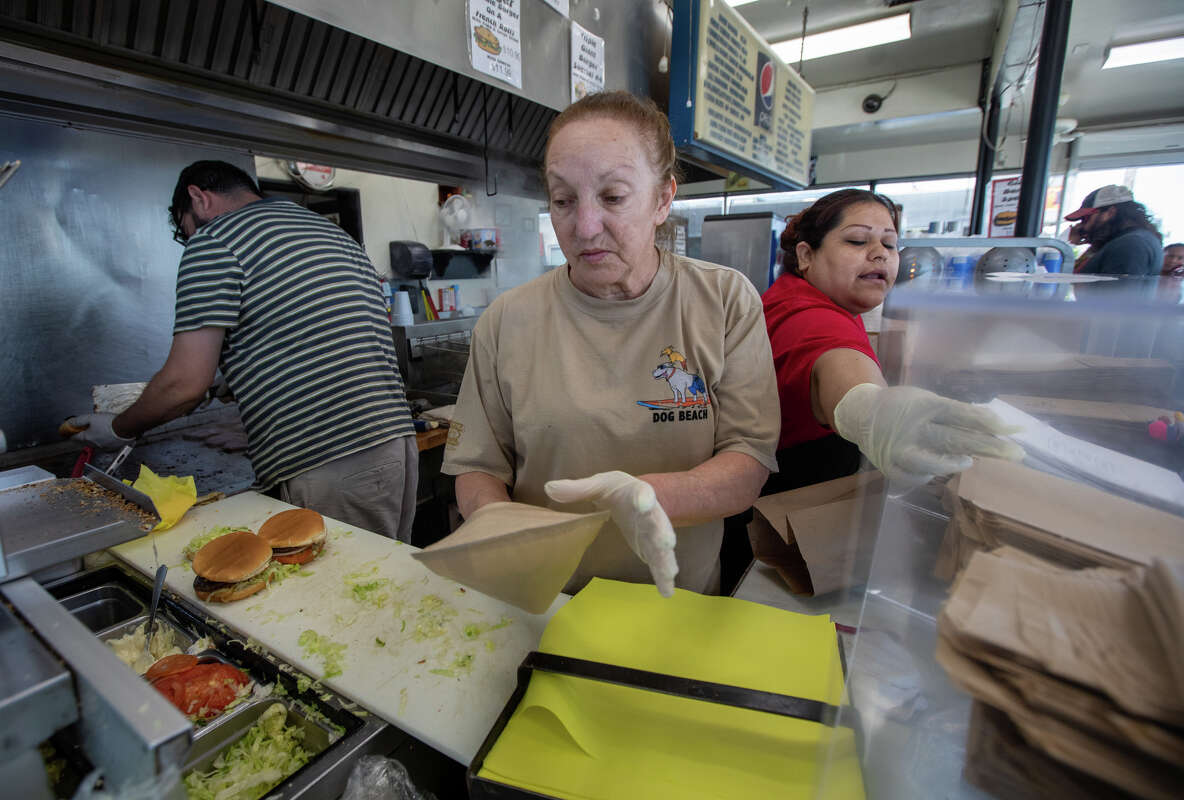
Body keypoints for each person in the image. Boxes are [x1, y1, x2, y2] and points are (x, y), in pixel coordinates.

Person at [441, 91, 780, 598]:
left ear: (663, 199)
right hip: (550, 600)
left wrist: (650, 497)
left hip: (679, 600)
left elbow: (747, 460)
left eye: (613, 197)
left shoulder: (723, 301)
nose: (584, 227)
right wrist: (505, 531)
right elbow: (477, 468)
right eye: (563, 200)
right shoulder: (507, 320)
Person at [66, 161, 419, 541]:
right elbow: (323, 334)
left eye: (184, 231)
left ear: (198, 198)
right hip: (394, 447)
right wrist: (240, 376)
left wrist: (117, 429)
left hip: (330, 461)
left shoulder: (215, 239)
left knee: (344, 594)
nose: (189, 239)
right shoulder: (327, 231)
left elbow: (184, 385)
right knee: (384, 584)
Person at [761, 189, 1023, 494]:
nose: (880, 253)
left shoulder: (801, 294)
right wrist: (870, 409)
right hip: (790, 505)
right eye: (857, 241)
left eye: (890, 244)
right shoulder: (811, 318)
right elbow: (835, 358)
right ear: (806, 255)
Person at [1064, 185, 1162, 276]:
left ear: (1110, 212)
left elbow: (1118, 293)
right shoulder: (1127, 240)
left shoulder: (1130, 244)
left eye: (1086, 218)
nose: (1083, 227)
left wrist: (1065, 246)